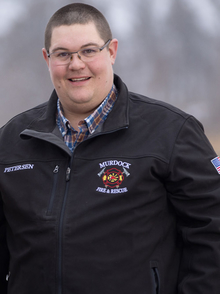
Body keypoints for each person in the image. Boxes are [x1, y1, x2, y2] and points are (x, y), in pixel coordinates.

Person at [0, 3, 220, 294]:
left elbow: (213, 233)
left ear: (112, 51)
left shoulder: (172, 132)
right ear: (47, 58)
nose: (76, 64)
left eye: (89, 50)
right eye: (63, 54)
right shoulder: (12, 140)